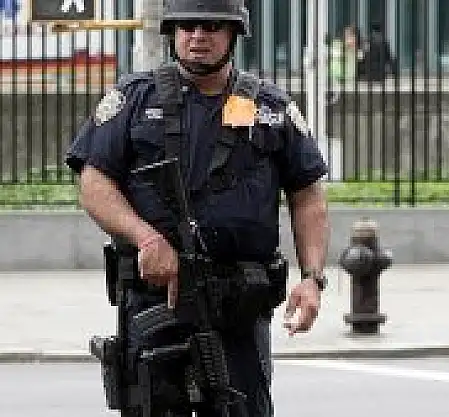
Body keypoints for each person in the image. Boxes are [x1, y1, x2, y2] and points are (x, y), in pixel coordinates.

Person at [64, 0, 330, 415]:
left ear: (234, 34)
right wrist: (146, 239)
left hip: (238, 307)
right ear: (172, 33)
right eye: (186, 26)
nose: (197, 36)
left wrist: (312, 278)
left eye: (211, 26)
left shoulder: (271, 109)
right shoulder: (134, 99)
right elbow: (93, 182)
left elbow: (308, 194)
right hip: (155, 300)